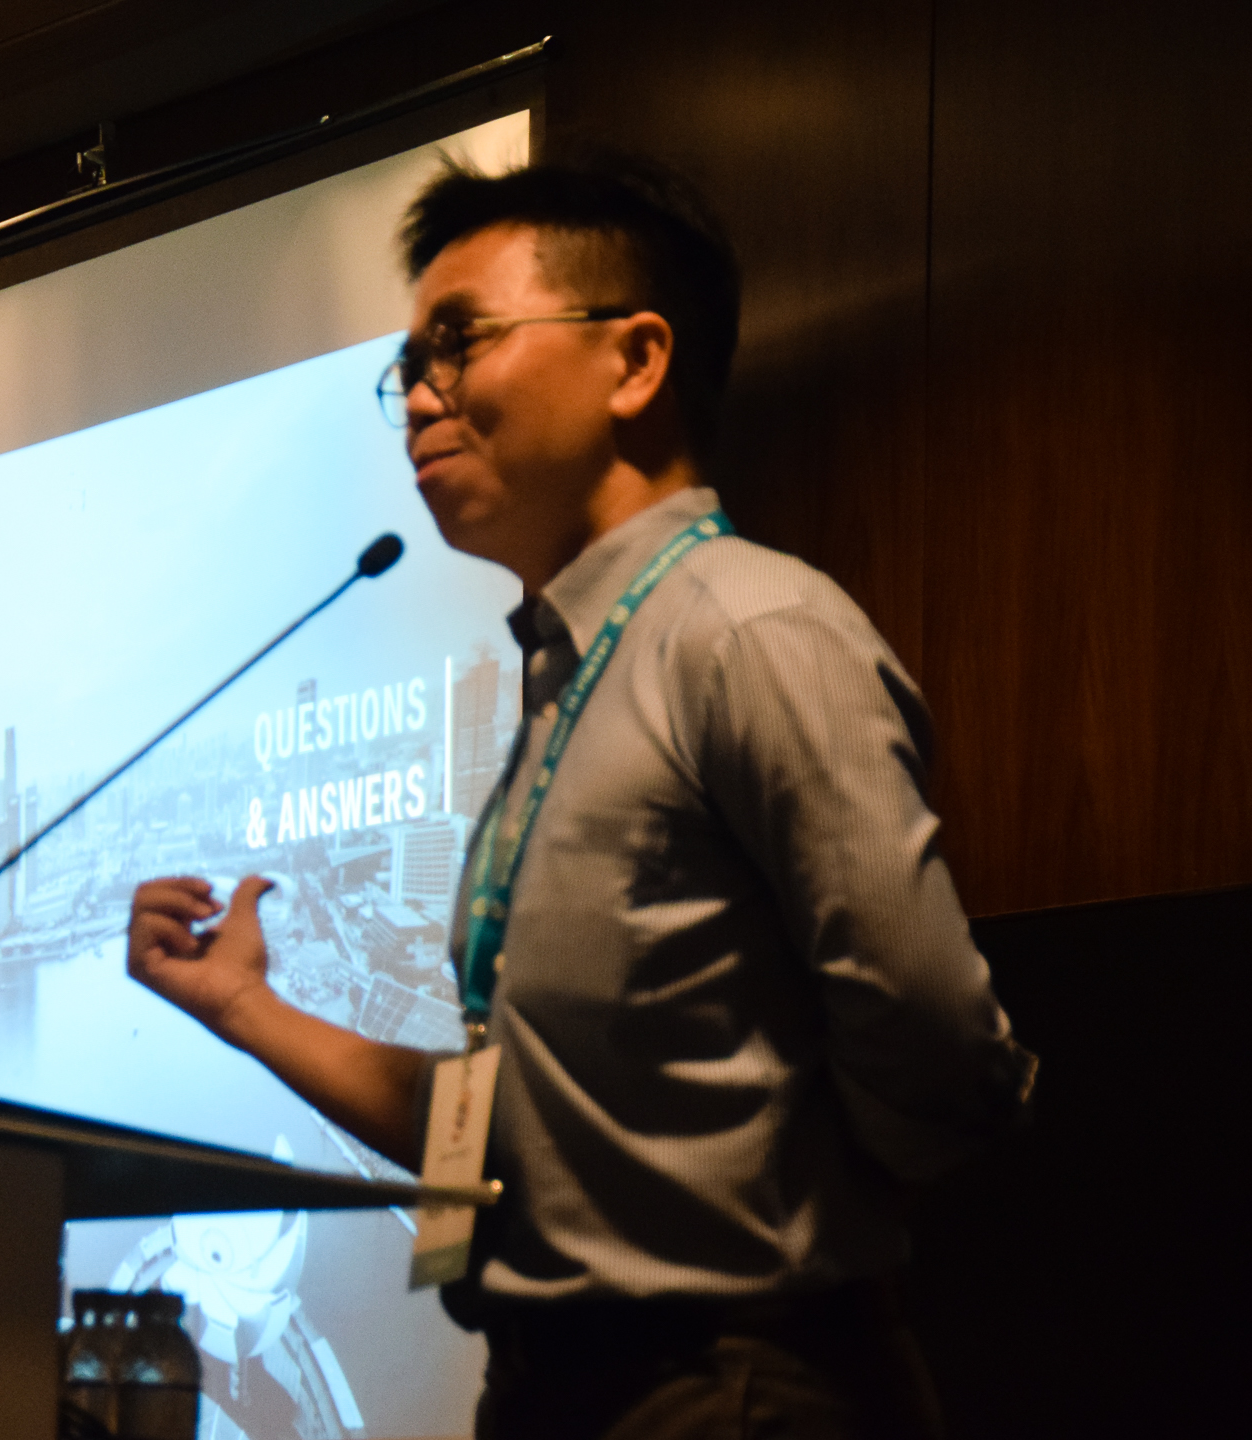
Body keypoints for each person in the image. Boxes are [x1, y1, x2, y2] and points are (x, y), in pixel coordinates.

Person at [126, 155, 1036, 1440]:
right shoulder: (569, 685)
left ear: (636, 361)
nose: (419, 397)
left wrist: (793, 1213)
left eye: (461, 343)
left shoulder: (748, 631)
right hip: (555, 1388)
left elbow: (939, 1044)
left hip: (735, 1389)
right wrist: (245, 1009)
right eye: (408, 366)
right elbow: (497, 1131)